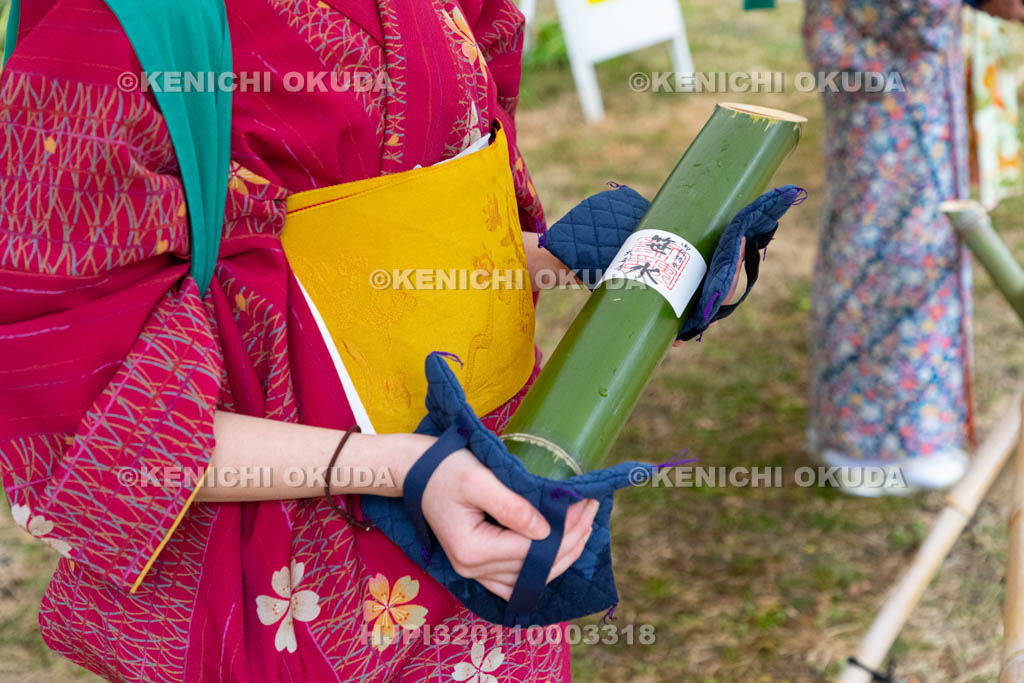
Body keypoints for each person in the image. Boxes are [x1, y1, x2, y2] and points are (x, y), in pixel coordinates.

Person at [0, 1, 606, 679]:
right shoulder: (107, 30)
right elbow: (83, 407)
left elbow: (417, 244)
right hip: (301, 586)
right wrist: (401, 467)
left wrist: (583, 260)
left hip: (489, 531)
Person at [802, 0, 1019, 496]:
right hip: (885, 72)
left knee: (886, 238)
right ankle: (873, 443)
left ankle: (890, 435)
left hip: (889, 71)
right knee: (888, 247)